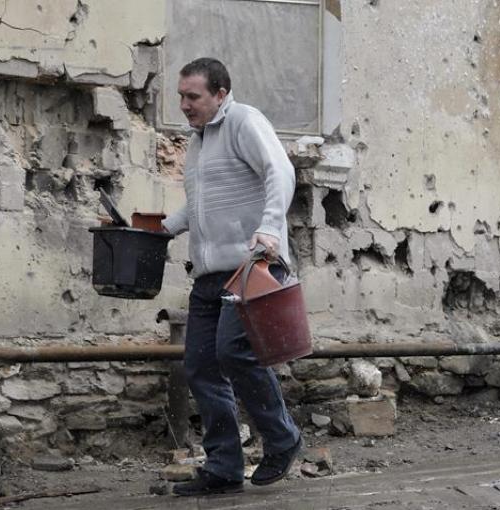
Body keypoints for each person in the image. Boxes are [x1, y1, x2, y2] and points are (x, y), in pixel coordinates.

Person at [161, 57, 301, 497]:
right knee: (200, 366)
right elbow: (202, 203)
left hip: (250, 267)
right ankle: (223, 466)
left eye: (193, 96)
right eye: (181, 96)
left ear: (220, 94)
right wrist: (161, 229)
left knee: (233, 352)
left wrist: (271, 228)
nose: (184, 104)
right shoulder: (199, 141)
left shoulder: (243, 121)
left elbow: (281, 171)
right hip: (208, 274)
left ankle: (282, 438)